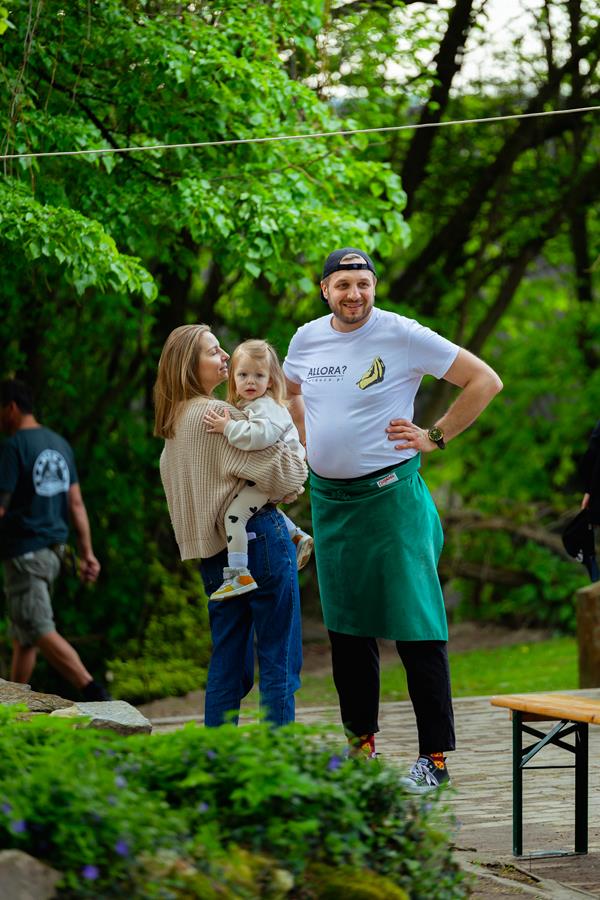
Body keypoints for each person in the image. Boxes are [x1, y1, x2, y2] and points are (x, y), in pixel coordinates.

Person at [283, 247, 503, 792]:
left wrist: (435, 436)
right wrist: (305, 440)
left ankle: (435, 761)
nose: (354, 293)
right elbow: (290, 391)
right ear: (325, 290)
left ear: (374, 287)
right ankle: (361, 752)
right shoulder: (306, 340)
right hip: (331, 505)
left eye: (363, 283)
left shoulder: (401, 334)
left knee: (416, 626)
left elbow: (484, 380)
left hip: (392, 500)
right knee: (347, 630)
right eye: (342, 284)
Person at [154, 324, 308, 727]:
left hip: (215, 555)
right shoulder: (219, 416)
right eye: (213, 351)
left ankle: (218, 754)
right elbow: (291, 474)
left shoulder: (173, 426)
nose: (225, 356)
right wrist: (290, 474)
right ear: (189, 365)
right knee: (278, 656)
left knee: (226, 660)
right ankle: (277, 755)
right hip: (260, 541)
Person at [0, 379, 108, 700]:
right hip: (53, 555)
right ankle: (12, 710)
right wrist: (87, 553)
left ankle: (93, 691)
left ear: (11, 408)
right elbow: (76, 503)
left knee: (38, 627)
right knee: (24, 637)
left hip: (25, 553)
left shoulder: (13, 447)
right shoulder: (59, 444)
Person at [203, 339, 313, 600]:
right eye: (243, 375)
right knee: (253, 504)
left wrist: (228, 428)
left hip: (283, 470)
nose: (250, 381)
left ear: (271, 380)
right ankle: (296, 535)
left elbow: (260, 437)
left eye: (259, 375)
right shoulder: (253, 405)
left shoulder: (266, 406)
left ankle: (238, 574)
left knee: (234, 516)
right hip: (277, 471)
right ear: (233, 378)